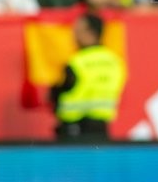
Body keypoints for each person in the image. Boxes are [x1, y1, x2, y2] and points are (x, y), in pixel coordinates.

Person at [51, 13, 126, 141]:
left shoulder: (76, 62)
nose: (73, 35)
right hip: (101, 128)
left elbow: (58, 93)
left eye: (77, 30)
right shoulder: (115, 62)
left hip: (73, 129)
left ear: (90, 32)